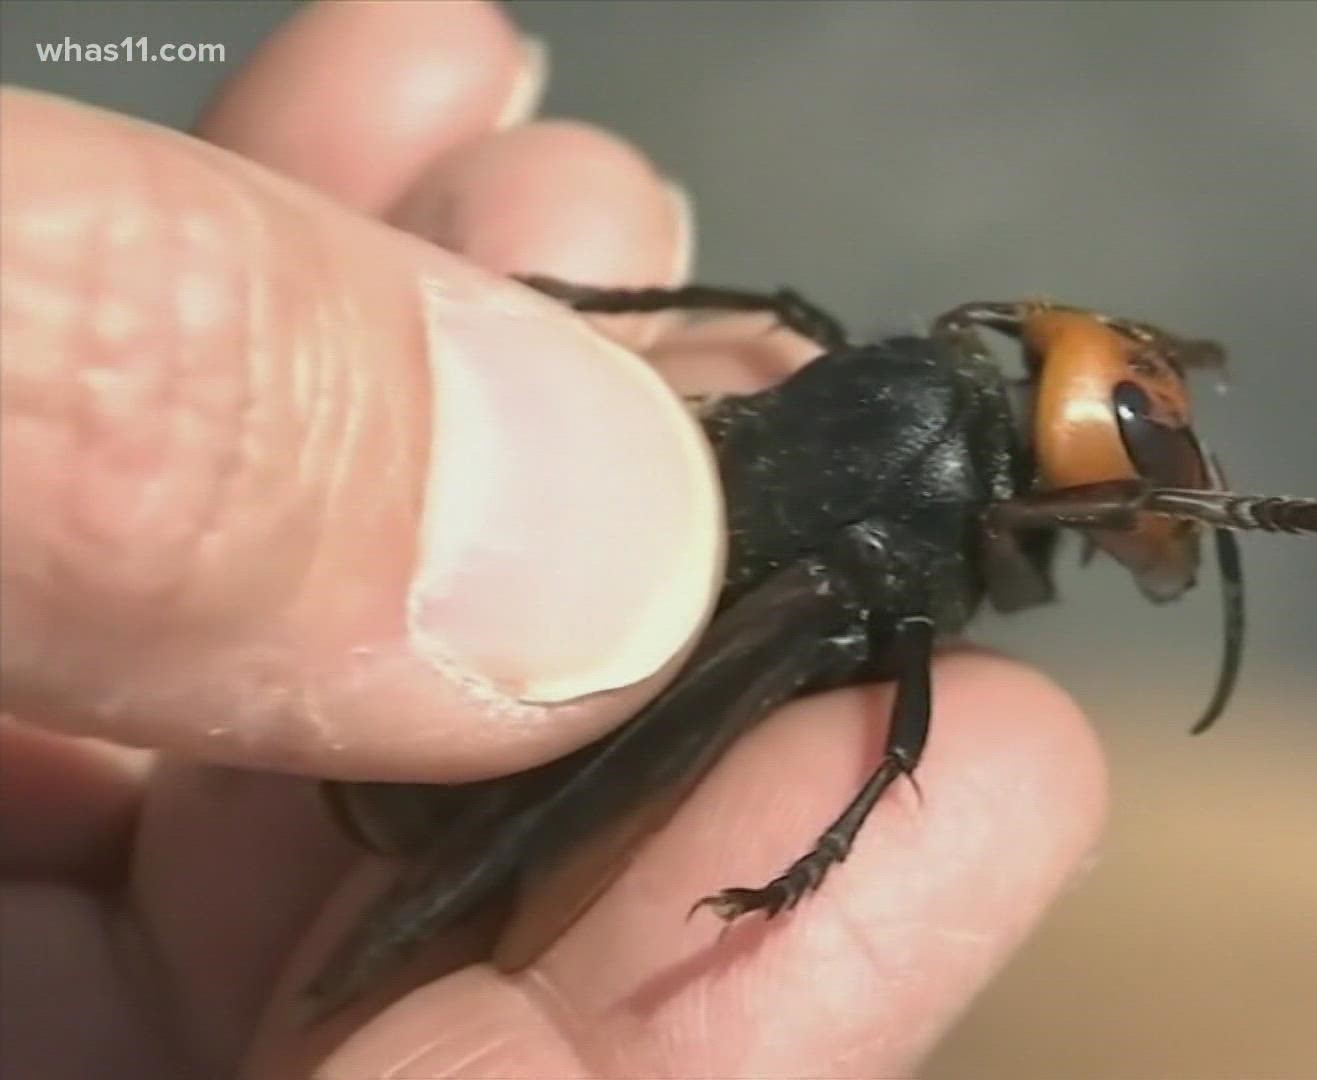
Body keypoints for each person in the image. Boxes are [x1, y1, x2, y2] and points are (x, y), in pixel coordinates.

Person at [0, 3, 1105, 1076]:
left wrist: (578, 302)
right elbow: (903, 710)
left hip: (337, 763)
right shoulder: (921, 493)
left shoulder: (941, 399)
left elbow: (794, 319)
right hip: (442, 773)